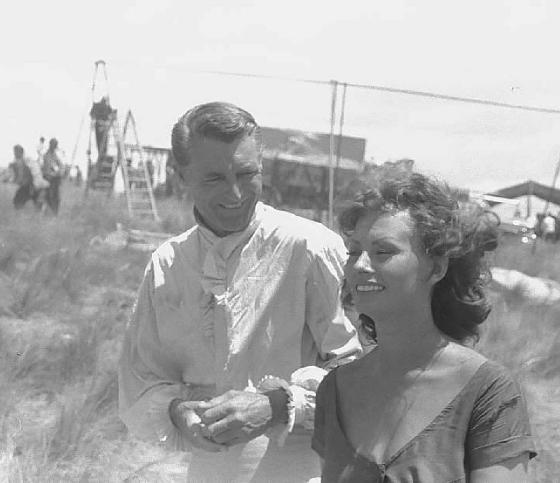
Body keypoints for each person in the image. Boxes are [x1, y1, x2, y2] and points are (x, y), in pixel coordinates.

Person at [118, 102, 362, 482]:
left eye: (247, 174)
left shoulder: (310, 247)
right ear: (181, 175)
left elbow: (362, 372)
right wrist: (178, 412)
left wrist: (278, 405)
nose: (234, 194)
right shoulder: (168, 264)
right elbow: (142, 379)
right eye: (214, 179)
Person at [313, 173, 537, 482]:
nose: (361, 265)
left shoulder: (488, 393)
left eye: (383, 252)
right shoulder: (335, 390)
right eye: (354, 251)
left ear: (436, 267)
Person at [7, 144, 48, 210]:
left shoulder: (28, 160)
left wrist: (34, 185)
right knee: (17, 201)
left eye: (16, 152)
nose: (14, 154)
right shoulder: (17, 162)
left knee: (37, 204)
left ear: (21, 152)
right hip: (28, 186)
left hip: (36, 186)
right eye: (14, 152)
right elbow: (18, 177)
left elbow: (35, 172)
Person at [42, 138, 64, 215]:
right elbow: (46, 167)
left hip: (55, 179)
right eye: (53, 145)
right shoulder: (46, 155)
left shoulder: (55, 155)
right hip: (48, 179)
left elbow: (60, 166)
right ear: (50, 145)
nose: (54, 147)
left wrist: (57, 172)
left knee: (56, 198)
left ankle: (54, 214)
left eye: (55, 145)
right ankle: (48, 213)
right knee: (49, 197)